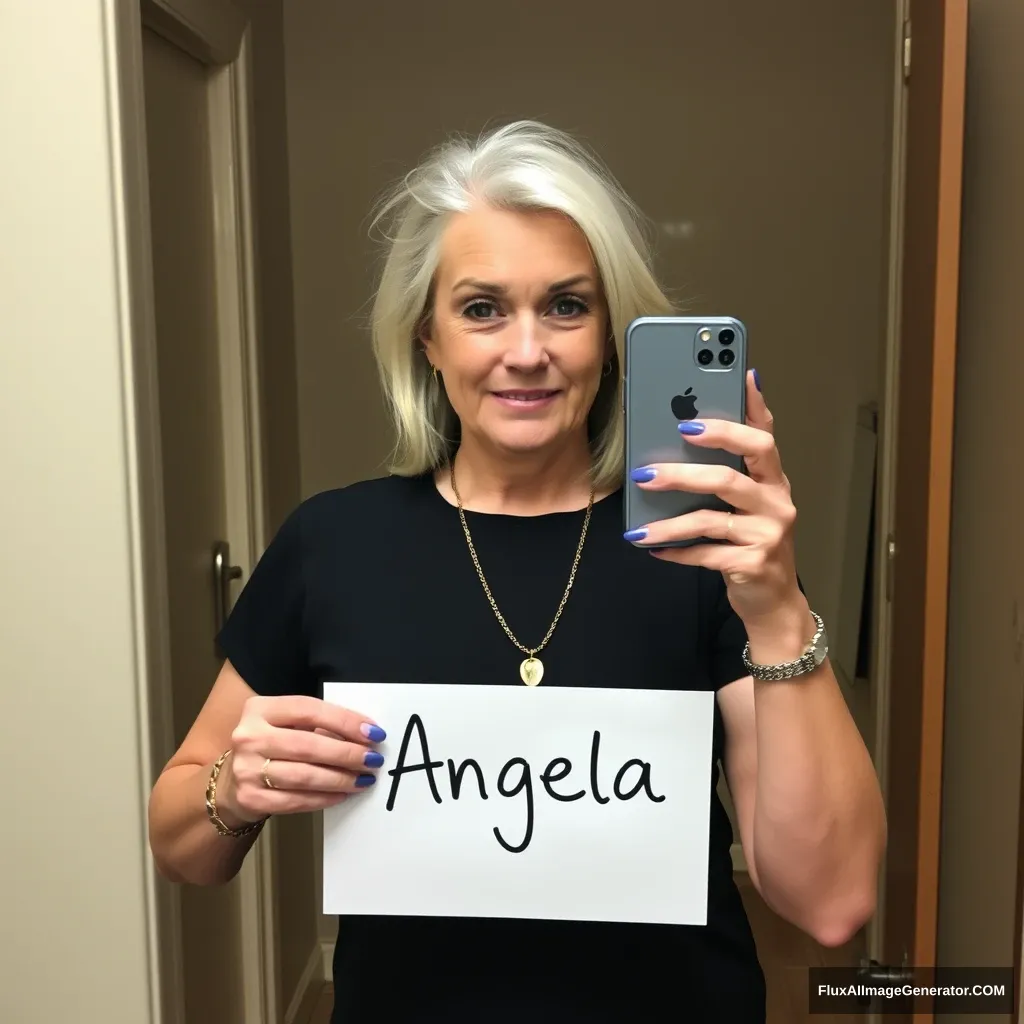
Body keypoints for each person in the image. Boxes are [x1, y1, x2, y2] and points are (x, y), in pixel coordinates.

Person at [148, 120, 886, 1022]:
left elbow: (833, 903)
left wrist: (776, 612)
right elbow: (182, 843)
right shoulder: (332, 543)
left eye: (567, 306)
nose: (527, 350)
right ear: (427, 338)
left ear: (613, 336)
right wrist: (235, 785)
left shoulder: (709, 549)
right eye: (483, 307)